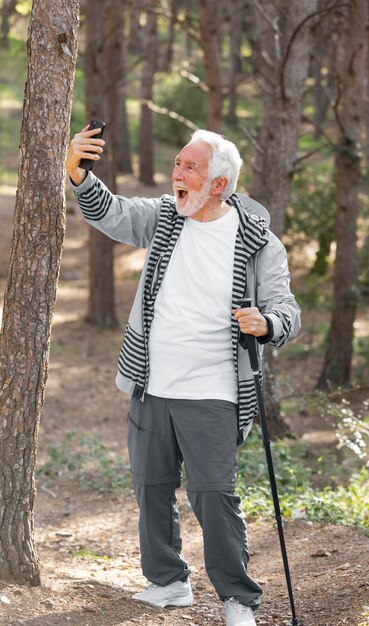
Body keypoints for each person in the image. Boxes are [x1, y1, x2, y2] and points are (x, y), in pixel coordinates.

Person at [66, 125, 301, 626]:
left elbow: (287, 308)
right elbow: (114, 213)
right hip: (152, 383)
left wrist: (268, 323)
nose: (176, 173)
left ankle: (237, 598)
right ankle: (169, 583)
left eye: (188, 168)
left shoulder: (259, 242)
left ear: (218, 184)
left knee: (213, 493)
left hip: (213, 389)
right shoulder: (165, 218)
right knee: (151, 486)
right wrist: (79, 174)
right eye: (176, 164)